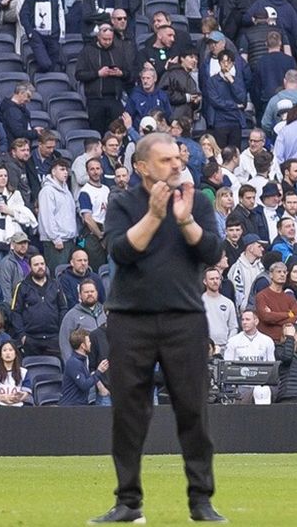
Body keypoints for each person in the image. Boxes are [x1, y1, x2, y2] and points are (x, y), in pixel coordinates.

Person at [91, 132, 224, 524]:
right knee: (128, 413)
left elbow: (212, 252)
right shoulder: (122, 204)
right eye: (165, 160)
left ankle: (201, 501)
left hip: (184, 318)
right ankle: (127, 502)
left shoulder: (197, 201)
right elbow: (121, 252)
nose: (176, 165)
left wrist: (184, 220)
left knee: (193, 411)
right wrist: (154, 214)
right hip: (130, 318)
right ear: (141, 166)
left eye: (177, 159)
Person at [20, 0, 66, 75]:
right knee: (45, 64)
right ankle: (34, 76)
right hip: (38, 34)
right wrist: (30, 32)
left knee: (53, 66)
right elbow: (24, 13)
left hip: (54, 36)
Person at [61, 327, 109, 406]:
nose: (90, 343)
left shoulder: (81, 361)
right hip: (70, 406)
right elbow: (84, 385)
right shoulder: (74, 363)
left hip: (79, 405)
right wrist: (99, 371)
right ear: (83, 345)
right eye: (89, 341)